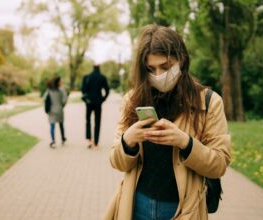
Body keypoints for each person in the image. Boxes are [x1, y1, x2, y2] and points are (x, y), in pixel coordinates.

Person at [104, 24, 231, 220]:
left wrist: (185, 143)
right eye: (150, 69)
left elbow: (219, 164)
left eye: (166, 66)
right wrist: (127, 141)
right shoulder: (133, 100)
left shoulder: (208, 101)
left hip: (183, 209)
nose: (158, 75)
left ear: (182, 60)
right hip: (137, 205)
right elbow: (116, 161)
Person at [81, 64, 110, 148]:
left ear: (93, 68)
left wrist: (87, 97)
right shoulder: (102, 77)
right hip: (98, 102)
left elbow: (83, 90)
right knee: (97, 121)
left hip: (89, 102)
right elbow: (107, 90)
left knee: (88, 120)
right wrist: (103, 99)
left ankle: (89, 140)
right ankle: (96, 142)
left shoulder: (87, 77)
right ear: (99, 68)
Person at [43, 76, 68, 148]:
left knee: (52, 126)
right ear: (58, 83)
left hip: (51, 111)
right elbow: (64, 101)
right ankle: (63, 138)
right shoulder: (61, 91)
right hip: (59, 110)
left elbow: (44, 98)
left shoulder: (49, 91)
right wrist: (61, 105)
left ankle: (53, 141)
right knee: (61, 125)